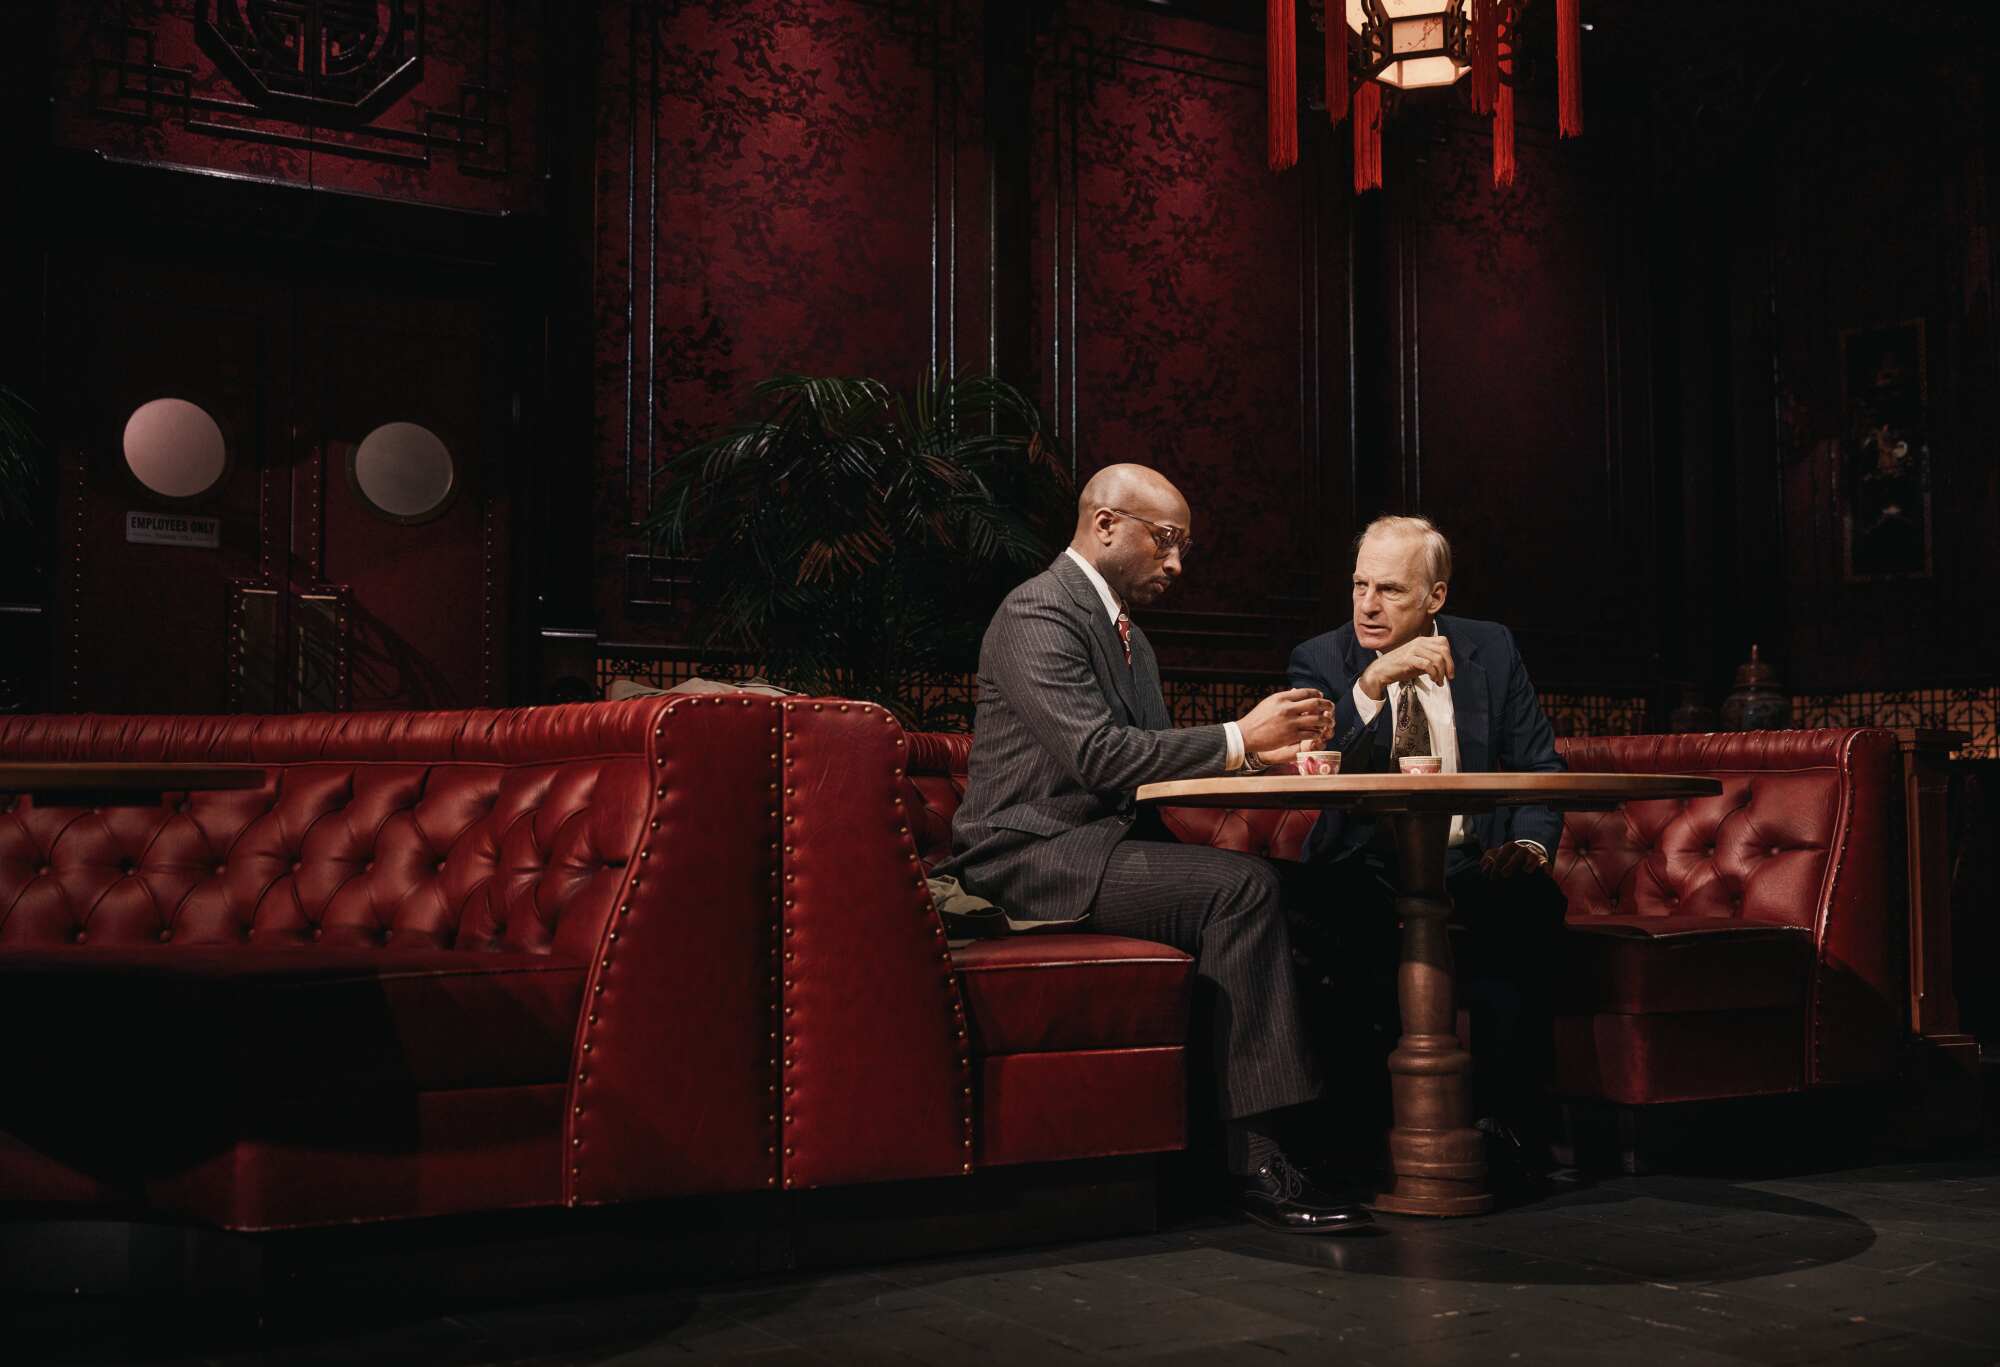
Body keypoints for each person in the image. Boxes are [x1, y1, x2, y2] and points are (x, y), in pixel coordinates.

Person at [937, 463, 1371, 1234]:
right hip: (1030, 857)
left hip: (1108, 843)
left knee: (1335, 894)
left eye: (1184, 546)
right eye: (1165, 541)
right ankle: (1255, 1162)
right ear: (1105, 523)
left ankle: (1342, 1138)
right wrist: (1240, 737)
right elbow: (1100, 757)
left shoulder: (1132, 639)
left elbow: (1147, 763)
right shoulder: (1038, 612)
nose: (1177, 563)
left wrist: (1259, 758)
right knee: (1239, 889)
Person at [1288, 515, 1569, 1179]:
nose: (1367, 604)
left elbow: (1539, 766)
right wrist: (1373, 683)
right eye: (1359, 586)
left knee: (1533, 905)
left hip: (1470, 863)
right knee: (1326, 923)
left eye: (1389, 589)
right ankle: (1357, 1144)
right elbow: (1328, 780)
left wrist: (1529, 841)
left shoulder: (1491, 650)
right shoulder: (1321, 659)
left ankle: (1506, 1133)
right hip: (1365, 864)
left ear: (1435, 597)